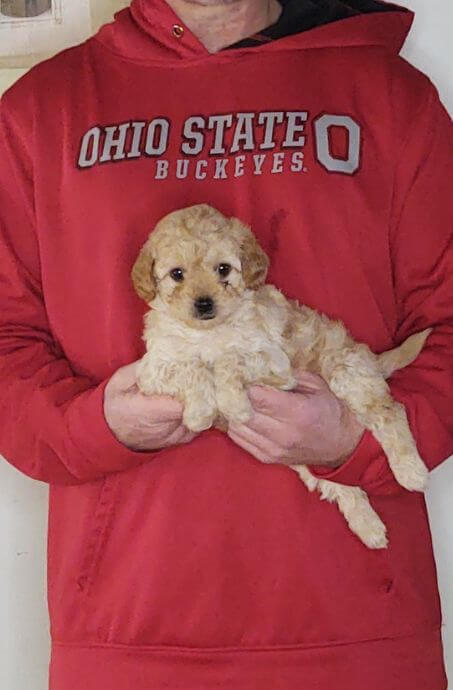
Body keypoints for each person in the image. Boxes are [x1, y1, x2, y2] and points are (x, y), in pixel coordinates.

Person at [0, 0, 451, 688]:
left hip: (356, 630)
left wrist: (355, 438)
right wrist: (90, 427)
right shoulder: (43, 108)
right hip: (130, 631)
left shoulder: (386, 95)